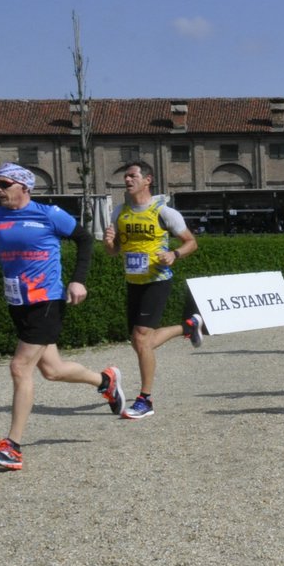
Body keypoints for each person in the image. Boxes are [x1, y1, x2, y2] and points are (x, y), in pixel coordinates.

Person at [0, 163, 122, 470]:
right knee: (52, 370)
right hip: (17, 300)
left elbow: (85, 239)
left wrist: (78, 280)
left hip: (47, 299)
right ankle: (106, 381)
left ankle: (12, 447)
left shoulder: (49, 214)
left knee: (19, 366)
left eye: (4, 183)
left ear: (24, 187)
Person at [101, 160, 202, 420]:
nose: (127, 180)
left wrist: (174, 254)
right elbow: (114, 252)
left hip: (157, 279)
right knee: (139, 341)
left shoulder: (163, 212)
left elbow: (191, 242)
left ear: (148, 180)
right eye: (125, 176)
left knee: (142, 337)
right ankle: (188, 326)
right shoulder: (120, 212)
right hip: (133, 281)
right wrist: (109, 243)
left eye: (132, 176)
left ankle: (145, 400)